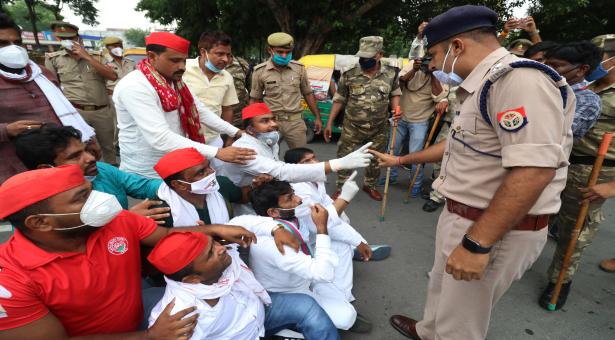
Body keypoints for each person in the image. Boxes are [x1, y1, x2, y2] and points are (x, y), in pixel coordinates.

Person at [369, 5, 575, 339]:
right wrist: (401, 161)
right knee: (442, 293)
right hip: (463, 215)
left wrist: (478, 244)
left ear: (457, 47)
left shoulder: (518, 80)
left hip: (493, 227)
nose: (432, 65)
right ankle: (428, 331)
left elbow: (534, 170)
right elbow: (458, 144)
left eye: (433, 54)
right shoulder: (484, 83)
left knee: (461, 323)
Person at [0, 164, 260, 338]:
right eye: (82, 198)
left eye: (90, 191)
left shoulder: (116, 221)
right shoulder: (10, 281)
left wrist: (215, 229)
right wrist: (149, 336)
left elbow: (165, 236)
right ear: (41, 222)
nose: (100, 200)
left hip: (141, 314)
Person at [113, 32, 256, 179]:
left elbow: (200, 111)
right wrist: (217, 152)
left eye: (184, 61)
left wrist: (237, 132)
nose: (182, 67)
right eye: (175, 60)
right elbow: (160, 138)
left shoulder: (176, 82)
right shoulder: (135, 86)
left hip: (176, 163)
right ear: (152, 57)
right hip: (147, 172)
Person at [147, 231, 340, 340]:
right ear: (192, 279)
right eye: (210, 254)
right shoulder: (180, 316)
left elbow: (246, 224)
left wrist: (276, 228)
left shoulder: (224, 256)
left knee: (307, 307)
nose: (222, 249)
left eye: (213, 243)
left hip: (260, 310)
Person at [539, 34, 615, 310]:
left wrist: (612, 187)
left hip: (594, 172)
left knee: (575, 231)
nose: (602, 59)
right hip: (556, 162)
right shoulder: (582, 85)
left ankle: (561, 280)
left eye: (607, 54)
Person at [240, 180, 371, 333]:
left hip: (305, 279)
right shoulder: (274, 244)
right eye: (290, 198)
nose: (298, 200)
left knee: (341, 250)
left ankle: (334, 306)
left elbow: (327, 223)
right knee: (346, 316)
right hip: (287, 294)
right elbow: (323, 272)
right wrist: (321, 229)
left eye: (293, 194)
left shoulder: (288, 217)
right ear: (273, 212)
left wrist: (358, 241)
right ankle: (289, 325)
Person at [220, 102, 373, 214]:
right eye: (265, 121)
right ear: (250, 129)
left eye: (273, 119)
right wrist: (338, 164)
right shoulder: (245, 149)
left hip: (263, 193)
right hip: (242, 203)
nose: (273, 124)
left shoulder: (269, 142)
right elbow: (281, 171)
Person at [0, 13, 96, 184]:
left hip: (66, 163)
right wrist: (6, 130)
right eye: (3, 44)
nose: (13, 49)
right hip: (18, 171)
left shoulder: (41, 73)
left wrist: (88, 141)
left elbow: (65, 108)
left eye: (17, 42)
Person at [284, 147, 391, 299]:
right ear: (295, 168)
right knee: (342, 245)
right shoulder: (298, 189)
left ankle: (359, 248)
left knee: (342, 220)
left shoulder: (315, 179)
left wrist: (340, 206)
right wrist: (344, 199)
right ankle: (342, 298)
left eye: (314, 157)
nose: (314, 162)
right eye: (306, 161)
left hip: (318, 229)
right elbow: (320, 224)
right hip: (306, 241)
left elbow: (328, 206)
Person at [14, 125, 169, 222]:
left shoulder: (102, 170)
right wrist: (129, 219)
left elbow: (144, 186)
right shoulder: (45, 205)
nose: (91, 158)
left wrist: (179, 184)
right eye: (75, 156)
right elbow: (84, 238)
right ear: (46, 169)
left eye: (85, 150)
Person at [324, 36, 402, 201]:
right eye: (362, 57)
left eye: (369, 58)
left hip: (379, 127)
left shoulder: (390, 73)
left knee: (376, 158)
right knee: (344, 156)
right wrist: (329, 123)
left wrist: (396, 110)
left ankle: (370, 185)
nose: (364, 60)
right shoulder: (350, 73)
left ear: (379, 54)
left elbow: (395, 93)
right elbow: (339, 99)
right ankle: (341, 186)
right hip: (352, 126)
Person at [378, 39, 448, 197]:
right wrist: (414, 70)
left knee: (416, 154)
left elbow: (439, 96)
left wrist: (432, 74)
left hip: (420, 121)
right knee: (392, 149)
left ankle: (415, 184)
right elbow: (399, 84)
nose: (427, 62)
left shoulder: (439, 72)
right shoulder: (412, 64)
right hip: (400, 117)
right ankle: (391, 177)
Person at [45, 21, 119, 165]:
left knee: (108, 148)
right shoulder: (53, 59)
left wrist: (87, 57)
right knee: (79, 148)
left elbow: (112, 76)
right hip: (76, 112)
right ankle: (88, 177)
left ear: (78, 38)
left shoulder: (96, 56)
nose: (67, 41)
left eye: (71, 38)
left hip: (101, 111)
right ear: (58, 39)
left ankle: (113, 176)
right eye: (62, 38)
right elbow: (53, 88)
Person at [152, 147, 270, 227]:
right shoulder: (162, 211)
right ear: (179, 184)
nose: (211, 172)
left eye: (208, 166)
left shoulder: (221, 184)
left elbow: (241, 196)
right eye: (201, 172)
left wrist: (255, 186)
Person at [250, 32, 322, 149]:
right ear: (270, 50)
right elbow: (254, 100)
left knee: (301, 158)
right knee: (269, 159)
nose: (284, 56)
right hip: (270, 122)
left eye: (288, 52)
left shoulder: (299, 69)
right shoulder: (259, 71)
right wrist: (252, 124)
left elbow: (308, 93)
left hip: (295, 122)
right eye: (280, 52)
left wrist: (317, 117)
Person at [183, 31, 238, 166]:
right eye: (220, 54)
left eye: (228, 55)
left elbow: (227, 109)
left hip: (213, 139)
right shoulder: (183, 69)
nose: (225, 59)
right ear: (203, 52)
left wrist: (229, 138)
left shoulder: (227, 77)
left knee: (216, 178)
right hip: (184, 139)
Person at [544, 41, 602, 139]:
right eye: (546, 64)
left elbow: (557, 133)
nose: (547, 69)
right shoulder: (546, 86)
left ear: (582, 69)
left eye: (555, 66)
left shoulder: (588, 101)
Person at [102, 36, 135, 149]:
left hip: (130, 96)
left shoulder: (129, 62)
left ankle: (128, 142)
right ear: (108, 48)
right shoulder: (102, 62)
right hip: (112, 96)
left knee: (130, 120)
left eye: (120, 46)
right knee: (116, 122)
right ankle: (116, 145)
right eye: (114, 46)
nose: (118, 48)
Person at [226, 55, 251, 128]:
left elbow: (252, 90)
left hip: (239, 119)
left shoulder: (241, 63)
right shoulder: (206, 65)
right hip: (216, 118)